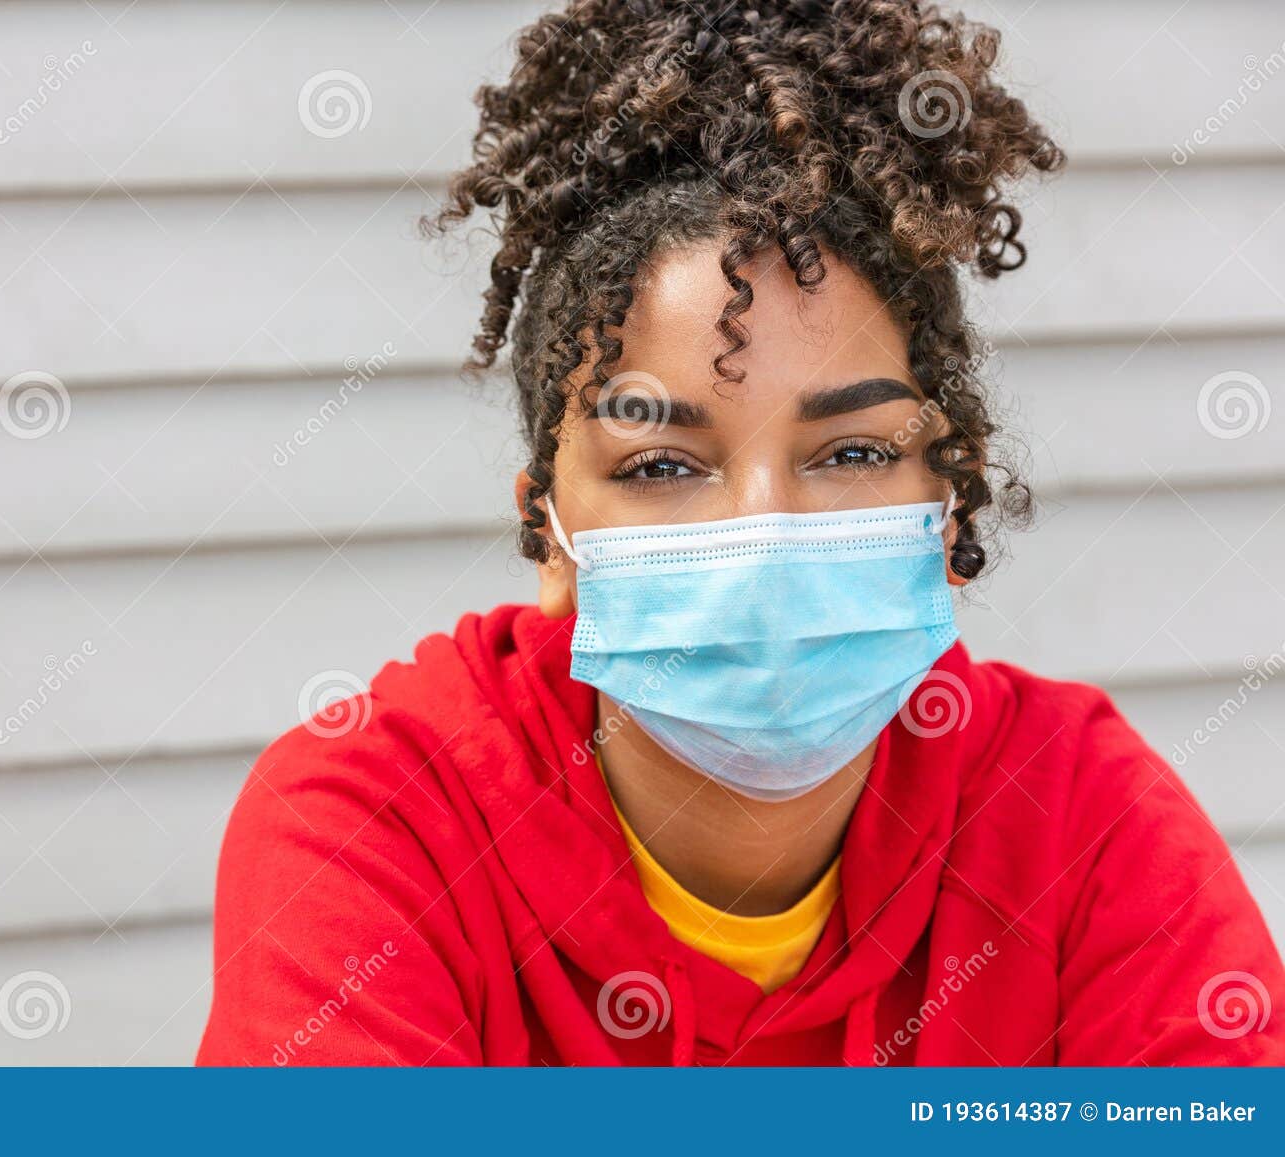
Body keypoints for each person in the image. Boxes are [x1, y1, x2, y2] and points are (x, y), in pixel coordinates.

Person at [197, 0, 1285, 1065]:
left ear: (946, 492)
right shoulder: (374, 820)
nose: (764, 528)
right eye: (661, 464)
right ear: (547, 532)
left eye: (852, 452)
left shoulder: (1074, 817)